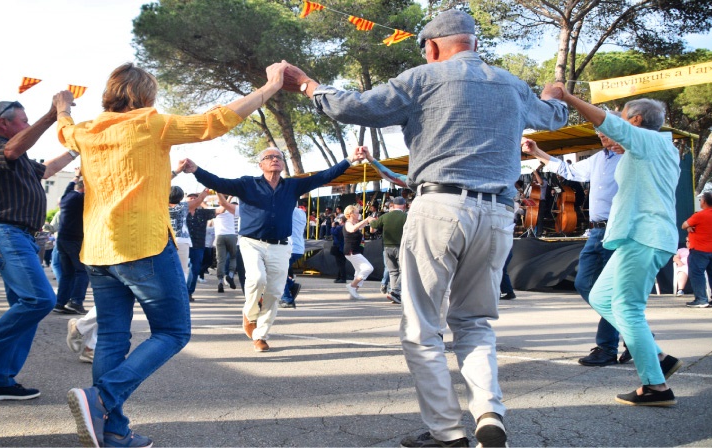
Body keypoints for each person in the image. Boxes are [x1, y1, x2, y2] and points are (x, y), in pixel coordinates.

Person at [282, 9, 568, 446]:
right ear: (473, 42)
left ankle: (448, 432)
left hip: (440, 207)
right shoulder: (512, 84)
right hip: (497, 213)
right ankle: (489, 412)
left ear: (432, 47)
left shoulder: (423, 78)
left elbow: (353, 107)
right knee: (474, 321)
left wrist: (307, 84)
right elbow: (554, 116)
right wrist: (551, 95)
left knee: (422, 327)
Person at [58, 61, 288, 447]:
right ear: (145, 96)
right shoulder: (150, 123)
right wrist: (270, 86)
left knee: (113, 337)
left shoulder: (84, 131)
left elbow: (64, 129)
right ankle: (101, 398)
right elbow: (215, 121)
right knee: (173, 331)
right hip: (143, 244)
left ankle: (113, 430)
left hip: (98, 249)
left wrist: (62, 106)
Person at [557, 87, 684, 406]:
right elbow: (613, 130)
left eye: (625, 117)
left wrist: (567, 97)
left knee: (627, 308)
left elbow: (612, 126)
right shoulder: (652, 148)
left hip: (645, 236)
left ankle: (656, 387)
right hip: (638, 237)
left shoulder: (649, 140)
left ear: (636, 120)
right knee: (600, 295)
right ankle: (659, 358)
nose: (614, 128)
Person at [0, 94, 79, 402]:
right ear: (3, 123)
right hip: (4, 232)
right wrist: (52, 115)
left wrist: (77, 149)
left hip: (18, 236)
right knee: (39, 300)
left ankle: (0, 379)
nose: (27, 124)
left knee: (26, 310)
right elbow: (12, 148)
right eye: (23, 120)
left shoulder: (19, 159)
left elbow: (47, 170)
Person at [179, 146, 363, 353]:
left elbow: (324, 177)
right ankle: (250, 315)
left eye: (278, 157)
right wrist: (196, 170)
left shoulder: (292, 186)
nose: (274, 159)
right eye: (269, 157)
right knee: (257, 279)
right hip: (252, 242)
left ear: (283, 164)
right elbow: (218, 182)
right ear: (261, 164)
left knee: (275, 291)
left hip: (281, 245)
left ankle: (261, 334)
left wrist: (350, 159)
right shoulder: (247, 184)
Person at [522, 125, 630, 366]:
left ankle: (608, 347)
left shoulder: (634, 157)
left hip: (619, 230)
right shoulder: (599, 158)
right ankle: (637, 338)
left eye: (607, 131)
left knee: (609, 291)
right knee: (585, 284)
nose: (602, 136)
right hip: (596, 231)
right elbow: (568, 170)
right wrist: (537, 151)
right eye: (599, 132)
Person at [53, 169, 89, 315]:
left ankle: (60, 303)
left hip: (62, 239)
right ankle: (76, 302)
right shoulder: (80, 199)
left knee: (67, 273)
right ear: (84, 188)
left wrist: (77, 175)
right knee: (82, 271)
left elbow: (69, 186)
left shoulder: (66, 197)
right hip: (75, 240)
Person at [682, 191, 712, 308]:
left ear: (704, 202)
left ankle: (701, 299)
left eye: (701, 199)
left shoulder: (700, 215)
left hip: (699, 249)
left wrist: (690, 227)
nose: (700, 201)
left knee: (697, 274)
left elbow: (684, 225)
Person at [370, 195, 407, 304]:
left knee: (392, 271)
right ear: (404, 206)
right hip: (400, 247)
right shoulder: (406, 217)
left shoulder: (385, 216)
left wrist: (371, 220)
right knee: (404, 270)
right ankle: (395, 292)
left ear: (393, 205)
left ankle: (394, 293)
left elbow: (374, 225)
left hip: (386, 247)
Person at [184, 190, 216, 302]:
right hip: (182, 245)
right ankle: (180, 292)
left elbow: (221, 210)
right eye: (190, 198)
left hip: (198, 245)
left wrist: (202, 201)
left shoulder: (203, 213)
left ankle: (188, 292)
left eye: (195, 198)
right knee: (179, 269)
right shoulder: (180, 211)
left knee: (195, 269)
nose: (193, 199)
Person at [342, 204, 375, 300]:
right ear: (351, 214)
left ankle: (354, 293)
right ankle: (352, 286)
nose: (359, 214)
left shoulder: (355, 224)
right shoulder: (348, 224)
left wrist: (371, 222)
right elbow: (352, 229)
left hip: (356, 251)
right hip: (351, 251)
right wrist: (366, 220)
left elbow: (368, 227)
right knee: (368, 268)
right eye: (357, 213)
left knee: (359, 272)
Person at [279, 205, 307, 308]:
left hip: (289, 247)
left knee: (278, 274)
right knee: (280, 272)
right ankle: (291, 284)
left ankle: (287, 298)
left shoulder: (286, 210)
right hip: (298, 247)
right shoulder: (301, 213)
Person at [213, 194, 239, 293]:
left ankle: (220, 281)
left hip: (219, 236)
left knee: (220, 260)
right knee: (233, 257)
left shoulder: (214, 211)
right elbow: (225, 207)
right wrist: (230, 197)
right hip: (231, 235)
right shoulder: (231, 210)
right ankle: (230, 275)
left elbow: (203, 205)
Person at [330, 217, 347, 284]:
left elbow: (333, 232)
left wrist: (333, 226)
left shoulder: (340, 228)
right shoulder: (346, 227)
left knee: (340, 264)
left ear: (342, 221)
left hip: (339, 247)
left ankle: (343, 278)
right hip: (344, 247)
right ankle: (339, 277)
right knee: (342, 263)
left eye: (340, 220)